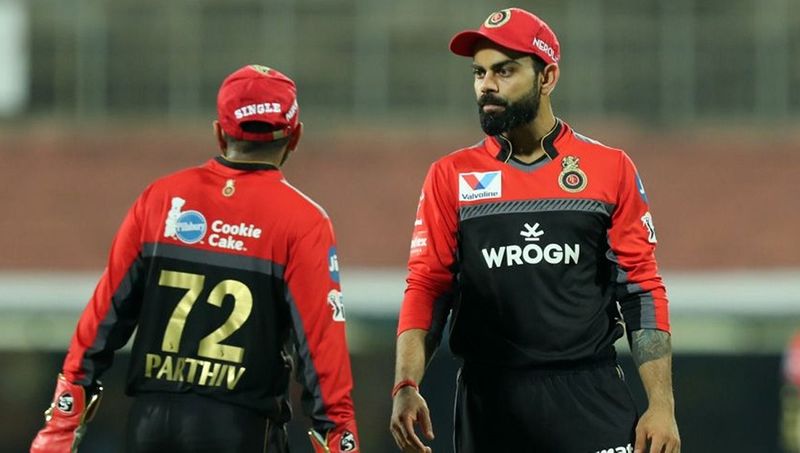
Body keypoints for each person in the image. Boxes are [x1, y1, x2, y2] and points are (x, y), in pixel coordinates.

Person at [389, 8, 679, 453]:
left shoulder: (610, 169)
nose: (486, 85)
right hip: (490, 405)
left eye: (504, 71)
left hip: (589, 396)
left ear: (547, 78)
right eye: (479, 72)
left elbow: (641, 288)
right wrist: (406, 384)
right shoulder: (449, 176)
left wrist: (661, 405)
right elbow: (428, 286)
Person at [30, 65, 359, 453]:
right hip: (240, 429)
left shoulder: (160, 199)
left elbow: (103, 317)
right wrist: (341, 437)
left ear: (219, 133)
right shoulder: (304, 222)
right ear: (296, 137)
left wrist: (62, 423)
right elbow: (321, 351)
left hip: (149, 427)